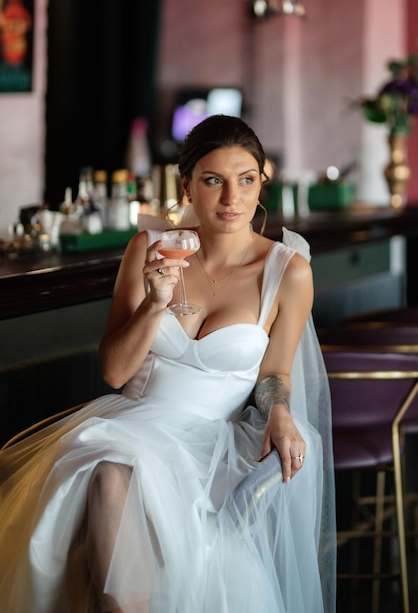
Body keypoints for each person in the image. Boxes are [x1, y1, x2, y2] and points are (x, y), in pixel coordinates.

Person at [0, 115, 336, 613]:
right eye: (213, 181)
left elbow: (275, 373)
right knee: (109, 474)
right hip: (135, 423)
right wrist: (154, 303)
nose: (231, 199)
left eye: (246, 180)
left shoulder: (289, 272)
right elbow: (113, 373)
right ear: (186, 186)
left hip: (215, 443)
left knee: (114, 481)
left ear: (263, 181)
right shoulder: (148, 248)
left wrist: (281, 411)